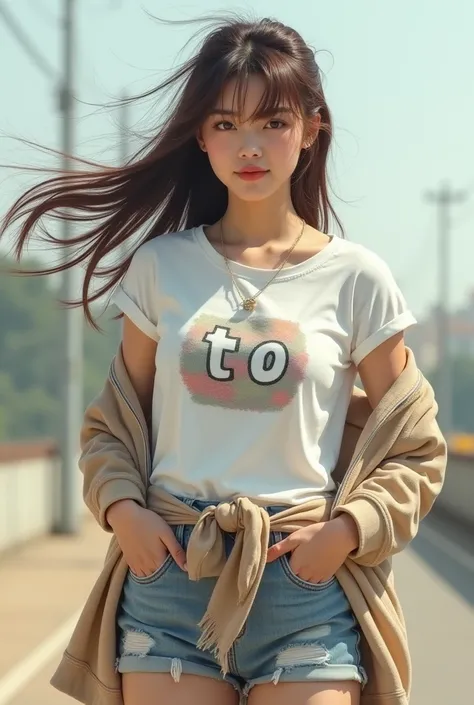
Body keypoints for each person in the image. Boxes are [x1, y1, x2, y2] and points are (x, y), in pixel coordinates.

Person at [2, 15, 447, 705]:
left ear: (311, 127)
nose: (250, 145)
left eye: (272, 122)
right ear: (201, 136)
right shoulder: (161, 268)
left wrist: (345, 533)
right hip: (173, 576)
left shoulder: (358, 279)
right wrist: (127, 515)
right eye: (225, 122)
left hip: (303, 584)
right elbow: (113, 425)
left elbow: (415, 447)